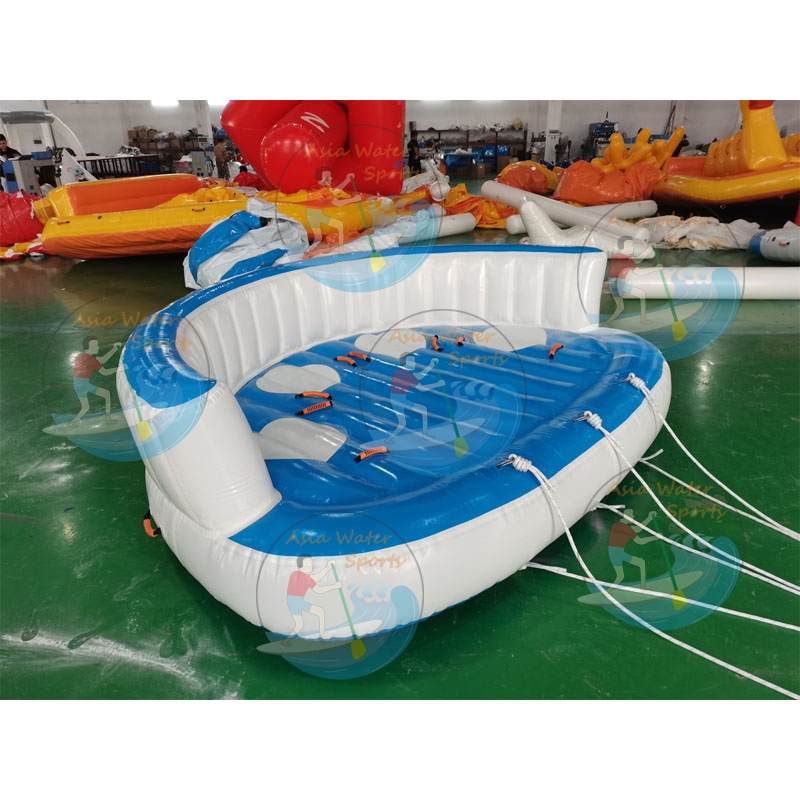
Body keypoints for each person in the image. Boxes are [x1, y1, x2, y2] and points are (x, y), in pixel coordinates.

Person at [284, 555, 342, 643]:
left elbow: (317, 577)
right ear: (303, 563)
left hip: (292, 601)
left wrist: (328, 567)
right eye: (310, 562)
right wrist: (334, 586)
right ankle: (322, 636)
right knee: (320, 612)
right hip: (297, 601)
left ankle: (285, 641)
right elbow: (319, 590)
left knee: (299, 625)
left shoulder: (295, 574)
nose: (312, 564)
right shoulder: (304, 577)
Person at [386, 355, 444, 442]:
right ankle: (425, 435)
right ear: (406, 362)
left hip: (395, 398)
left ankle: (388, 439)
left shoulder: (399, 372)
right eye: (412, 361)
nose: (415, 363)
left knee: (402, 423)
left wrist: (431, 365)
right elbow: (422, 388)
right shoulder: (408, 375)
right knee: (423, 410)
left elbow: (419, 376)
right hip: (400, 399)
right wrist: (437, 384)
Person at [68, 336, 122, 428]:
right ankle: (108, 419)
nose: (97, 347)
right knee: (105, 394)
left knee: (85, 407)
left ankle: (72, 423)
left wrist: (114, 349)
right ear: (89, 347)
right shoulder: (88, 358)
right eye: (95, 345)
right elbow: (105, 371)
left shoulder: (82, 356)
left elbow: (103, 361)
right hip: (83, 384)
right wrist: (120, 368)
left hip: (78, 383)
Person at [306, 166, 362, 251]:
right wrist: (353, 199)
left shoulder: (318, 187)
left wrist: (347, 180)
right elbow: (337, 203)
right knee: (339, 225)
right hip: (316, 217)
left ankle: (312, 251)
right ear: (324, 178)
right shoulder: (323, 190)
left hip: (312, 215)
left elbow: (336, 190)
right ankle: (340, 249)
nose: (331, 178)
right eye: (329, 176)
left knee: (317, 238)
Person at [607, 509, 658, 588]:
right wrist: (654, 537)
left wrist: (649, 518)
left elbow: (638, 532)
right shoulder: (619, 526)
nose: (633, 516)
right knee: (639, 564)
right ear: (623, 515)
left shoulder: (620, 526)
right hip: (616, 552)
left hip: (615, 551)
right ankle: (643, 587)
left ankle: (643, 587)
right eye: (630, 514)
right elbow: (640, 539)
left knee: (621, 576)